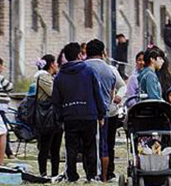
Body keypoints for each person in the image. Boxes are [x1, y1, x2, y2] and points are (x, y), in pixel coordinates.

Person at [51, 42, 105, 183]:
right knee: (90, 147)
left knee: (71, 148)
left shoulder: (59, 76)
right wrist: (101, 113)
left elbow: (56, 101)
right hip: (89, 114)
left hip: (69, 116)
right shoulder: (88, 71)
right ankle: (91, 175)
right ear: (79, 55)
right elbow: (97, 94)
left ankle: (72, 175)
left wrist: (60, 116)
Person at [85, 39, 126, 181]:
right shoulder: (111, 69)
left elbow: (122, 87)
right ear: (103, 53)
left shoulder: (81, 68)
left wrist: (119, 96)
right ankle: (106, 174)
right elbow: (123, 85)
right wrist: (118, 96)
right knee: (108, 145)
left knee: (92, 144)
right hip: (109, 111)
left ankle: (95, 173)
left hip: (92, 113)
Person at [34, 55, 61, 177]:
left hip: (55, 116)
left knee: (56, 148)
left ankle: (54, 174)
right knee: (45, 147)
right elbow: (53, 93)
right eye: (55, 63)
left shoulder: (51, 77)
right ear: (51, 64)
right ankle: (43, 173)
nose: (57, 65)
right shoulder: (43, 77)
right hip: (46, 117)